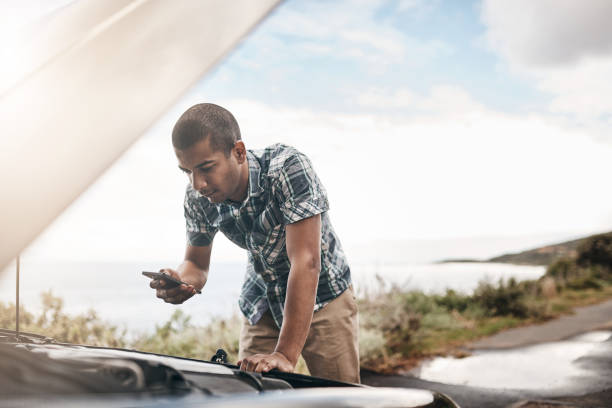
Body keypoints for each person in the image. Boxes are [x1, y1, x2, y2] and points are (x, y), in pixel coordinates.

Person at [150, 103, 359, 383]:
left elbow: (306, 262)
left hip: (324, 295)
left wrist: (284, 355)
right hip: (262, 300)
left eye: (206, 168)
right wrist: (182, 281)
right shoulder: (197, 196)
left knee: (343, 399)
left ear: (238, 152)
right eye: (186, 171)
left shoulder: (287, 168)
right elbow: (196, 264)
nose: (198, 183)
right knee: (251, 392)